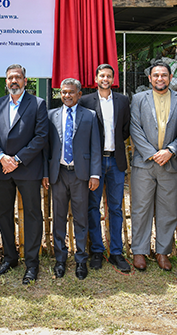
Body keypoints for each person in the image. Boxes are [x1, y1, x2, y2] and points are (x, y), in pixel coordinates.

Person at [130, 61, 177, 272]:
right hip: (144, 163)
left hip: (171, 162)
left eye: (164, 75)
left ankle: (162, 252)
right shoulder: (139, 99)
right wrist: (151, 154)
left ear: (171, 77)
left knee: (168, 209)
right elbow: (135, 128)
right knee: (141, 208)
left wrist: (171, 150)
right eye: (156, 75)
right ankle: (139, 250)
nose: (160, 78)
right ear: (150, 78)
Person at [0, 64, 48, 284]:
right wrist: (1, 157)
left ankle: (32, 263)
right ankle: (10, 257)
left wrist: (17, 159)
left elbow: (41, 137)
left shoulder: (38, 104)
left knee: (33, 215)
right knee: (2, 213)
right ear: (6, 81)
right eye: (10, 78)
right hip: (2, 169)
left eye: (18, 77)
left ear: (25, 80)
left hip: (28, 169)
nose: (14, 81)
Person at [44, 78, 100, 280]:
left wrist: (95, 174)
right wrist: (46, 173)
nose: (67, 95)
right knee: (58, 217)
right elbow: (46, 148)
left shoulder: (90, 116)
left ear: (79, 94)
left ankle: (81, 260)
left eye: (71, 92)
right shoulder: (51, 115)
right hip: (58, 174)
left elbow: (95, 146)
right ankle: (60, 259)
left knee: (81, 218)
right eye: (64, 92)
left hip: (80, 174)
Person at [79, 63, 132, 273]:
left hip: (116, 161)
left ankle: (116, 252)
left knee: (116, 208)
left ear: (113, 79)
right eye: (102, 76)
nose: (105, 79)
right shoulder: (86, 101)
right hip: (95, 162)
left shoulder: (123, 101)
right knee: (93, 206)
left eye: (109, 76)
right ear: (96, 78)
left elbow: (125, 129)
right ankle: (97, 251)